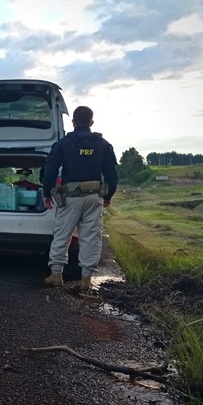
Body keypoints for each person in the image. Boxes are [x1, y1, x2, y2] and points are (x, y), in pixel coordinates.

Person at [41, 105, 119, 292]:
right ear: (91, 122)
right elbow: (112, 175)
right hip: (94, 197)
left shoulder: (63, 143)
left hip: (70, 197)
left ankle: (56, 275)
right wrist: (108, 196)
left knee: (62, 235)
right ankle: (86, 280)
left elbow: (49, 170)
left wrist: (46, 193)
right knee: (91, 237)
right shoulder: (103, 144)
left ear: (73, 122)